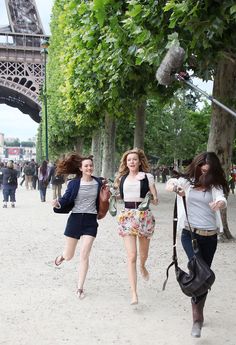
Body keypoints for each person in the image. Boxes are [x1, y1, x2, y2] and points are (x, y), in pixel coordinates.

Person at [165, 152, 228, 338]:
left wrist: (220, 203)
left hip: (210, 237)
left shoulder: (215, 186)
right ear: (197, 166)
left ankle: (199, 311)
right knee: (199, 272)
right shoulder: (187, 182)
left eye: (207, 171)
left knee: (204, 275)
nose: (203, 173)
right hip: (189, 234)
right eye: (201, 168)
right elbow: (170, 184)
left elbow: (222, 198)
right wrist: (176, 190)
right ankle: (197, 319)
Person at [52, 153, 106, 299]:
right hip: (75, 220)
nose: (89, 167)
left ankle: (80, 287)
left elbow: (106, 196)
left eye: (91, 165)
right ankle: (62, 256)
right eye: (86, 166)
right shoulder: (74, 184)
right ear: (81, 169)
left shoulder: (99, 183)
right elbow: (65, 200)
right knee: (69, 255)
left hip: (90, 221)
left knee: (84, 255)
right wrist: (57, 204)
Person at [114, 148, 158, 305]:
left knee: (143, 255)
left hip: (144, 216)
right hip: (127, 216)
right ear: (126, 163)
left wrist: (150, 197)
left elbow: (156, 200)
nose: (131, 162)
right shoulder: (122, 178)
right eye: (129, 160)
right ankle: (134, 293)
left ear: (140, 162)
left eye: (134, 159)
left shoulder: (148, 177)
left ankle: (143, 265)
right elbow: (121, 197)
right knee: (132, 255)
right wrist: (111, 194)